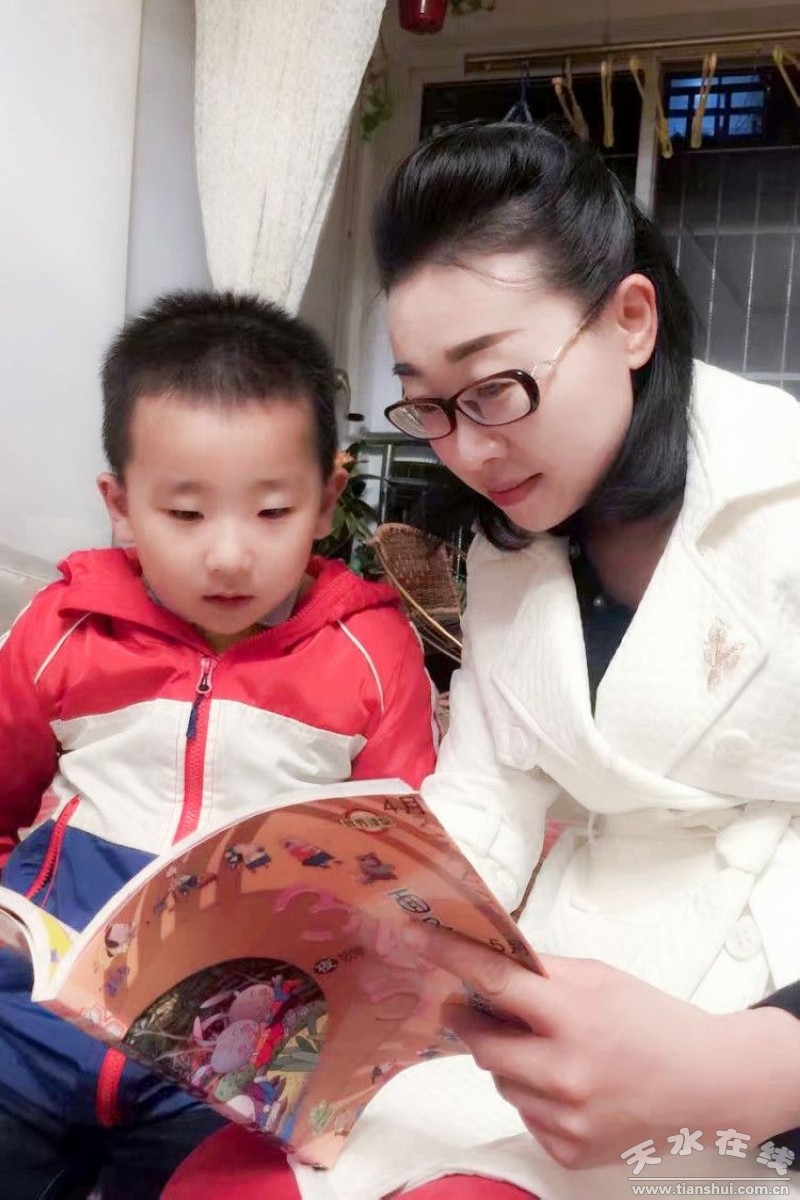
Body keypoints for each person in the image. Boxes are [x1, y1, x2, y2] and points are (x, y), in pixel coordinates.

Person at [166, 122, 800, 1199]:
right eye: (428, 404)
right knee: (231, 1179)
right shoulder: (514, 543)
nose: (465, 447)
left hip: (758, 1018)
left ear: (630, 320)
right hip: (561, 984)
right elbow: (487, 798)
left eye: (495, 387)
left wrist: (747, 1068)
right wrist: (337, 953)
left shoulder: (776, 492)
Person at [0, 290, 438, 1198]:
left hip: (227, 1066)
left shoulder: (371, 652)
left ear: (328, 501)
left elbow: (405, 857)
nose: (229, 557)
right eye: (187, 514)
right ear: (121, 505)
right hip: (28, 1026)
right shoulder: (61, 630)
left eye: (271, 512)